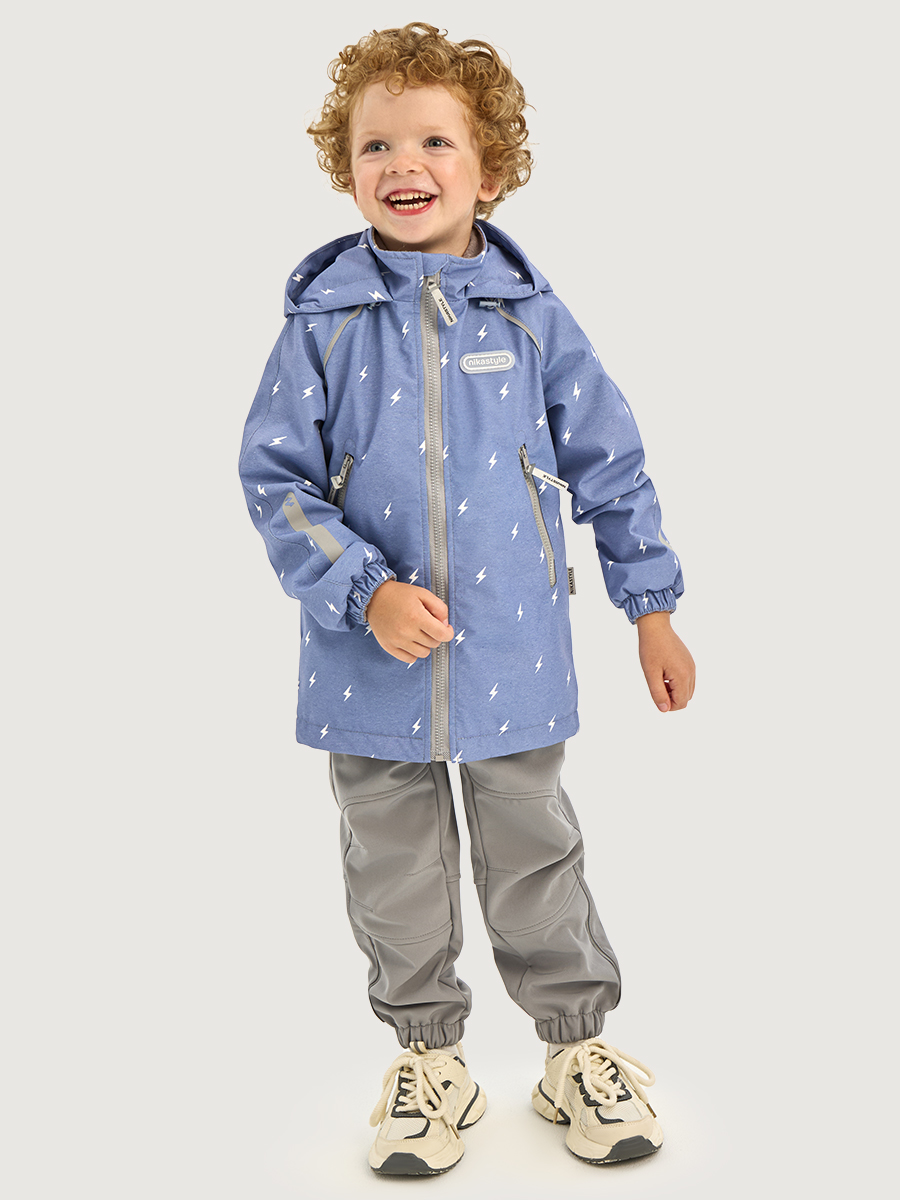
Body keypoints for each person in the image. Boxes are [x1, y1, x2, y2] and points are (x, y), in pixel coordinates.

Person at [238, 21, 695, 1176]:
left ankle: (575, 1049)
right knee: (393, 869)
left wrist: (650, 607)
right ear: (348, 170)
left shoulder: (532, 318)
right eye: (376, 144)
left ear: (489, 170)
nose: (404, 162)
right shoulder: (322, 324)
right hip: (368, 665)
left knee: (536, 853)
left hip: (512, 653)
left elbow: (611, 464)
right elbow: (275, 481)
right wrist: (365, 592)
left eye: (435, 141)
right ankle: (428, 1061)